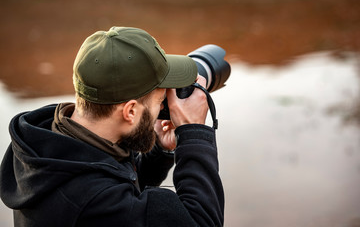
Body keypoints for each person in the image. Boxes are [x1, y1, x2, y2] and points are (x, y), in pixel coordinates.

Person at [0, 27, 224, 227]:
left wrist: (158, 151)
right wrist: (194, 133)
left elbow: (115, 180)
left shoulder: (49, 143)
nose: (164, 106)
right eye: (159, 101)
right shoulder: (93, 201)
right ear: (130, 112)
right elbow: (201, 221)